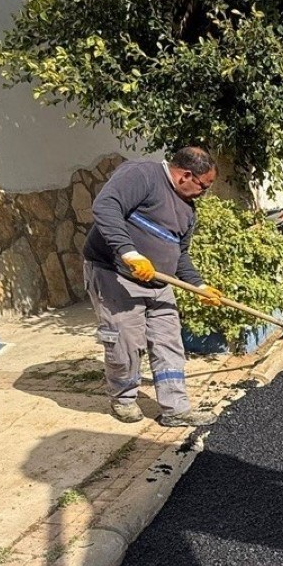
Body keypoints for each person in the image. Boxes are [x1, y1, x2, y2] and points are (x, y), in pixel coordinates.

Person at [82, 146, 223, 426]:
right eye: (203, 186)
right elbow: (106, 206)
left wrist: (199, 285)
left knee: (169, 342)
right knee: (124, 342)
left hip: (159, 282)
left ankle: (176, 409)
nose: (203, 193)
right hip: (115, 274)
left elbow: (179, 253)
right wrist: (129, 253)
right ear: (186, 175)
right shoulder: (142, 175)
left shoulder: (187, 211)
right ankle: (123, 399)